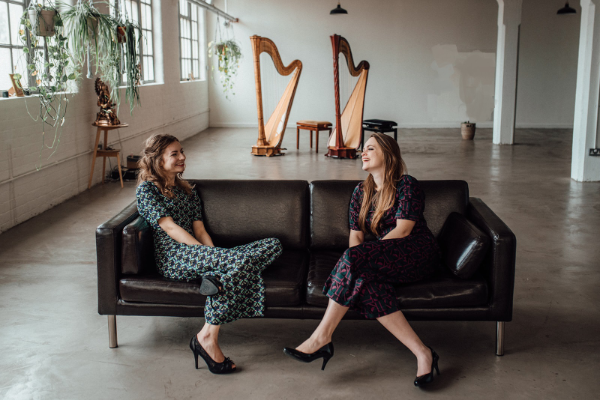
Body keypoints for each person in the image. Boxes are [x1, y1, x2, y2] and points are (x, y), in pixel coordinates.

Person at [283, 133, 441, 387]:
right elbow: (355, 236)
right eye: (363, 150)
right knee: (367, 285)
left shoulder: (407, 184)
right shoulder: (361, 191)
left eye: (370, 148)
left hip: (417, 253)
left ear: (388, 155)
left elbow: (403, 230)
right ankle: (423, 353)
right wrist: (361, 261)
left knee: (356, 260)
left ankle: (322, 337)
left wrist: (365, 257)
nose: (363, 154)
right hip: (383, 258)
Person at [136, 134, 282, 375]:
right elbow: (170, 228)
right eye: (175, 154)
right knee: (241, 261)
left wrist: (215, 258)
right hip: (174, 256)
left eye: (182, 151)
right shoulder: (148, 191)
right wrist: (209, 256)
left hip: (198, 251)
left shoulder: (187, 190)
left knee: (273, 244)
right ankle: (206, 337)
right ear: (158, 160)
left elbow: (200, 229)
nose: (183, 157)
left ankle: (215, 276)